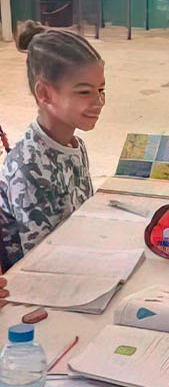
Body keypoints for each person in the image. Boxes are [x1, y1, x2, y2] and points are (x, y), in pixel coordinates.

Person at [3, 21, 102, 270]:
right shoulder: (28, 166)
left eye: (101, 90)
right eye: (84, 92)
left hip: (75, 263)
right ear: (44, 94)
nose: (99, 101)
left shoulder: (75, 146)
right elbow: (41, 265)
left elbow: (83, 221)